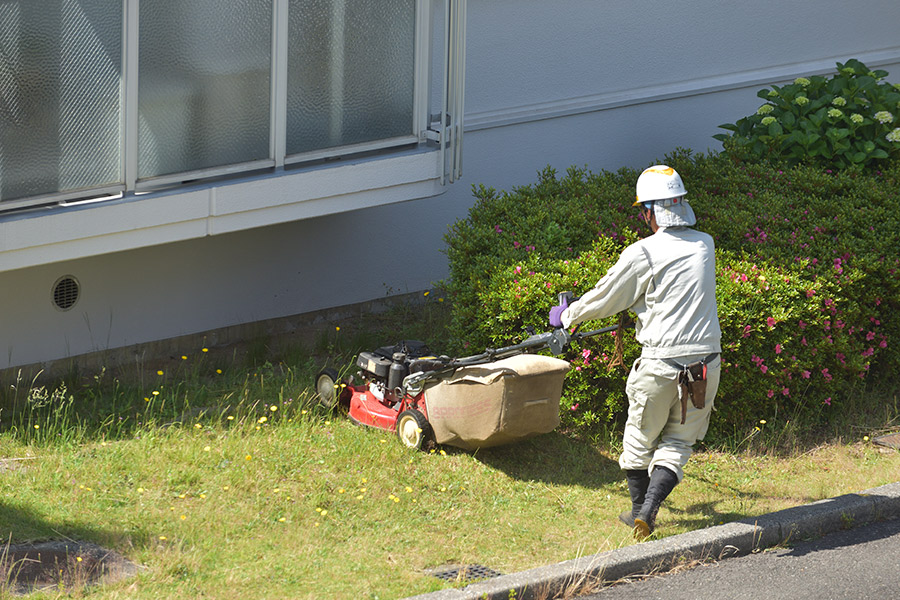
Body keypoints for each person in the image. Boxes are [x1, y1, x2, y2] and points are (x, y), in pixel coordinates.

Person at [549, 165, 722, 539]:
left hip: (662, 363)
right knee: (679, 441)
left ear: (649, 211)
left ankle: (637, 512)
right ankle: (650, 510)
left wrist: (568, 315)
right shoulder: (704, 243)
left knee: (639, 440)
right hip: (706, 363)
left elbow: (609, 296)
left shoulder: (643, 252)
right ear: (681, 204)